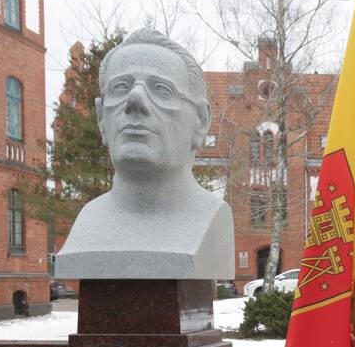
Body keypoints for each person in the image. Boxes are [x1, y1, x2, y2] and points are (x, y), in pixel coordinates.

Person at [55, 28, 233, 281]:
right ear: (100, 118)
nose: (135, 100)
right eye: (120, 88)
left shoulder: (211, 220)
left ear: (201, 122)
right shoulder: (87, 224)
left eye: (162, 90)